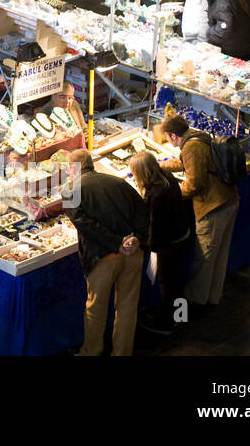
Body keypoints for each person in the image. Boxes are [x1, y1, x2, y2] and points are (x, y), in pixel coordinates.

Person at [66, 149, 148, 356]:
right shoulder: (118, 182)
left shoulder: (69, 191)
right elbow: (143, 210)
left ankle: (91, 351)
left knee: (96, 309)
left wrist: (116, 243)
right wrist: (135, 237)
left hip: (103, 258)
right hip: (133, 253)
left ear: (73, 168)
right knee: (127, 307)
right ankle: (122, 352)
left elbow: (84, 225)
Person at [128, 151, 194, 335]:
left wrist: (146, 245)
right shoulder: (167, 178)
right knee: (179, 282)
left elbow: (155, 227)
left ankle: (166, 323)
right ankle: (181, 318)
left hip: (168, 244)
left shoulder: (155, 195)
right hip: (182, 236)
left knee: (167, 283)